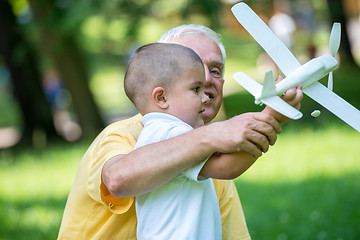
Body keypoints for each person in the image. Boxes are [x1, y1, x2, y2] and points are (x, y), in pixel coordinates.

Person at [57, 25, 302, 240]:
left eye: (216, 70)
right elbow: (118, 179)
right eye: (194, 77)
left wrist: (272, 117)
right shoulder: (131, 134)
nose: (207, 80)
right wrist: (269, 118)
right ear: (160, 94)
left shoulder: (210, 154)